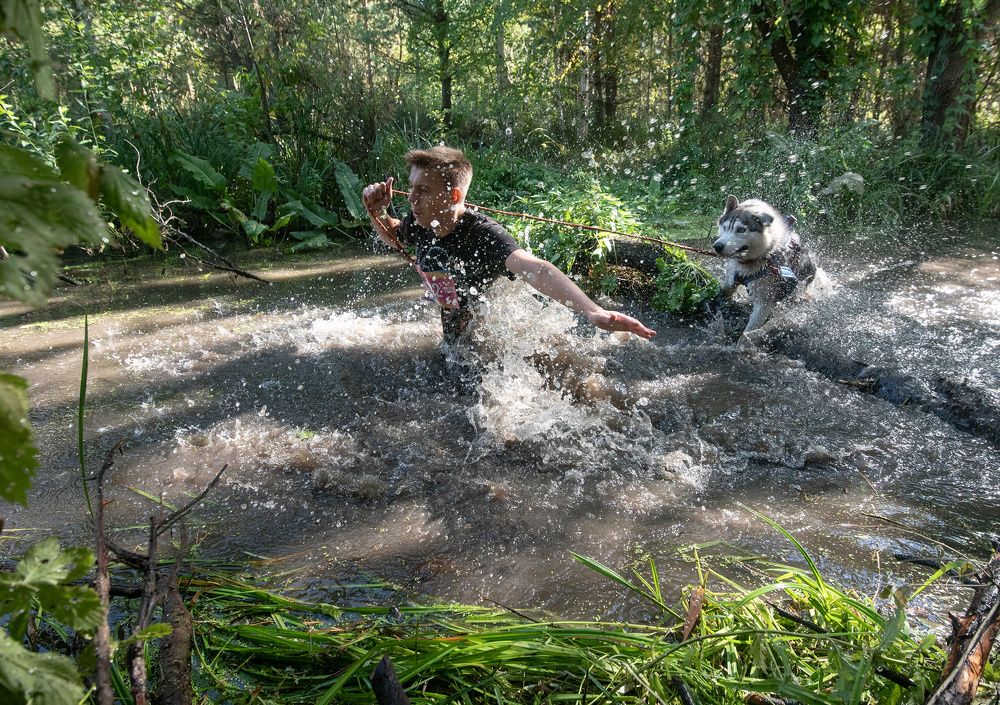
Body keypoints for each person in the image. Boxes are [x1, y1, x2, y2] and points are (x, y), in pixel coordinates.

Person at [362, 145, 656, 344]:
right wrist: (377, 212)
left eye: (423, 190)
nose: (411, 198)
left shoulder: (484, 234)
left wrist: (593, 312)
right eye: (411, 187)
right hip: (453, 339)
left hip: (488, 347)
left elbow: (536, 269)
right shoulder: (421, 219)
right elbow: (398, 237)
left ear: (453, 197)